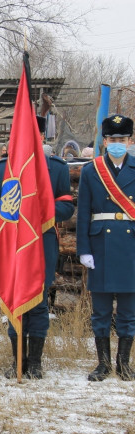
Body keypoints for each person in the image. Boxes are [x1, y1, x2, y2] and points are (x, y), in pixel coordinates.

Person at [0, 115, 74, 379]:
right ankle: (18, 362)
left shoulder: (56, 168)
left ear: (42, 138)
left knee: (37, 304)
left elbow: (67, 205)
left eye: (34, 135)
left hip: (42, 243)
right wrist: (14, 213)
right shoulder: (3, 169)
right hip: (13, 244)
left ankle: (35, 363)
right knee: (16, 301)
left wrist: (37, 212)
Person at [77, 114, 135, 381]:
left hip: (130, 245)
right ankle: (102, 364)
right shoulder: (91, 170)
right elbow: (84, 213)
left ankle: (123, 364)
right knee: (100, 310)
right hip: (100, 245)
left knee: (128, 309)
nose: (116, 143)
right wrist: (83, 250)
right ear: (104, 141)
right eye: (112, 139)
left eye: (121, 139)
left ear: (130, 140)